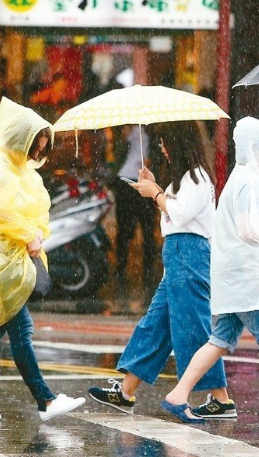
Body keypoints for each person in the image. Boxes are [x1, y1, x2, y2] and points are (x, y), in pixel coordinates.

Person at [162, 117, 259, 425]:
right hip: (248, 279)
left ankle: (178, 395)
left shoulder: (243, 178)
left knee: (219, 339)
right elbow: (251, 230)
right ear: (257, 148)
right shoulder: (248, 181)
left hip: (237, 278)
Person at [0, 97, 85, 422]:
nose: (37, 155)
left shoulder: (15, 166)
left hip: (5, 259)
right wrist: (27, 234)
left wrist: (35, 232)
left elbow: (32, 205)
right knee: (20, 329)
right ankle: (46, 400)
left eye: (42, 149)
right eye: (35, 147)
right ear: (21, 138)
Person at [87, 121, 233, 419]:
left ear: (179, 144)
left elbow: (179, 213)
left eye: (166, 142)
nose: (162, 148)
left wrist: (155, 193)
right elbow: (176, 212)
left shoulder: (196, 177)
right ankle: (126, 391)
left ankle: (221, 398)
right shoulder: (188, 178)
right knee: (155, 324)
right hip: (180, 255)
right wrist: (155, 188)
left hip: (188, 253)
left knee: (193, 326)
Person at [111, 124, 157, 290]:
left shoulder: (152, 133)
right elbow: (116, 156)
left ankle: (148, 269)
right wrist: (124, 137)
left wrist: (152, 162)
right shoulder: (124, 131)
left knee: (148, 228)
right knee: (124, 228)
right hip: (125, 181)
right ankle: (121, 267)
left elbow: (158, 156)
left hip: (145, 181)